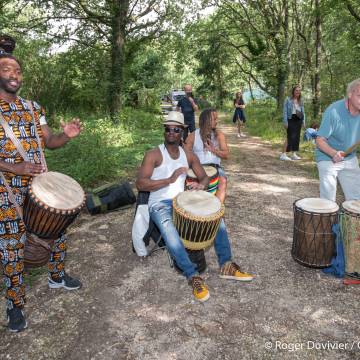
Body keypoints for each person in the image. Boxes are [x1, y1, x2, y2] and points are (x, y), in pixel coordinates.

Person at [0, 53, 83, 332]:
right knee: (12, 249)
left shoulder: (33, 108)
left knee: (57, 233)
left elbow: (50, 141)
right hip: (6, 191)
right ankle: (15, 304)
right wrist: (15, 166)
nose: (14, 74)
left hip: (40, 186)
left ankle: (57, 276)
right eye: (6, 68)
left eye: (18, 70)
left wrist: (66, 136)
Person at [136, 111, 253, 303]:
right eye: (168, 129)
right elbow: (140, 184)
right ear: (164, 131)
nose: (171, 132)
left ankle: (226, 264)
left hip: (181, 200)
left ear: (182, 131)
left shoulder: (188, 155)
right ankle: (193, 276)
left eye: (175, 129)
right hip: (159, 204)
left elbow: (205, 177)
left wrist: (201, 185)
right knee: (170, 230)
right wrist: (169, 179)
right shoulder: (153, 155)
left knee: (217, 217)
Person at [315, 78, 360, 202]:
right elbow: (319, 140)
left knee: (356, 200)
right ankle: (328, 220)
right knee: (328, 199)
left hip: (350, 157)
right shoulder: (334, 111)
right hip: (328, 157)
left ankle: (352, 221)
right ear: (350, 94)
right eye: (359, 95)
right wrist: (333, 153)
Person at [184, 108, 229, 203]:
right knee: (183, 181)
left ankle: (217, 211)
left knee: (223, 181)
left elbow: (226, 155)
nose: (217, 122)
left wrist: (214, 150)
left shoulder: (219, 135)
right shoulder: (192, 136)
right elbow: (185, 156)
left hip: (215, 167)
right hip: (197, 168)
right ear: (206, 120)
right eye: (214, 119)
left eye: (217, 119)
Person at [280, 85, 306, 161]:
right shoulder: (288, 100)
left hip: (298, 119)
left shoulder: (301, 100)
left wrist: (303, 121)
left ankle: (294, 154)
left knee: (297, 137)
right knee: (289, 136)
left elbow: (303, 112)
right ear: (293, 91)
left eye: (299, 91)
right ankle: (283, 154)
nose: (298, 92)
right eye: (296, 90)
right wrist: (285, 122)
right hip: (290, 119)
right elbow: (285, 111)